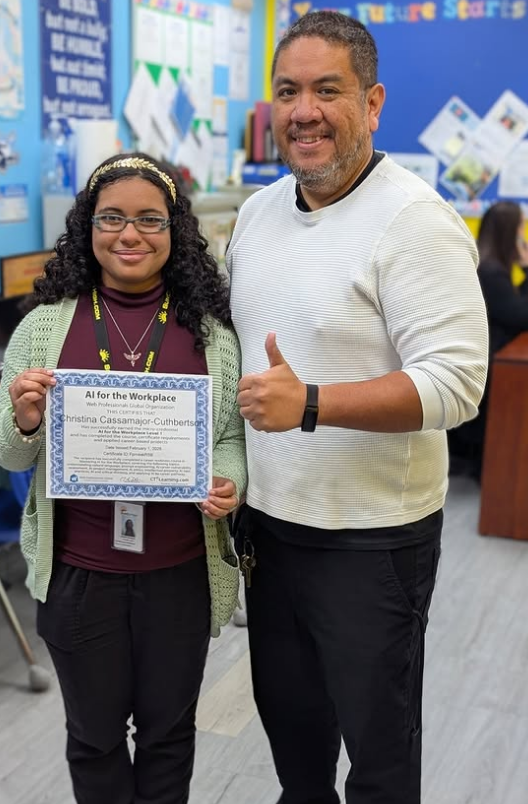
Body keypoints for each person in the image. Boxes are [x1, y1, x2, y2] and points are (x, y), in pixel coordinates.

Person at [226, 11, 488, 804]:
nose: (303, 111)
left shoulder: (415, 220)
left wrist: (310, 403)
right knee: (296, 751)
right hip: (271, 528)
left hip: (373, 542)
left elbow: (456, 384)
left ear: (372, 104)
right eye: (287, 92)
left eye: (327, 90)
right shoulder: (255, 215)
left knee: (379, 763)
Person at [0, 153, 246, 804]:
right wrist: (24, 420)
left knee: (168, 736)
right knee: (94, 739)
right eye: (112, 218)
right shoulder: (44, 326)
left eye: (150, 219)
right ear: (89, 226)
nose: (130, 234)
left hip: (180, 576)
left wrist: (227, 481)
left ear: (175, 229)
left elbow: (231, 439)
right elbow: (4, 452)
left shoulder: (213, 335)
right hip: (79, 576)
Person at [449, 200, 528, 478]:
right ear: (509, 234)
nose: (523, 237)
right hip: (487, 364)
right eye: (520, 230)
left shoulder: (490, 267)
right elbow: (520, 316)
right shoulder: (490, 272)